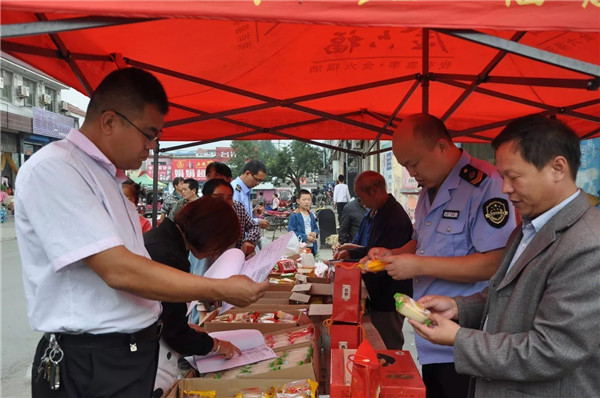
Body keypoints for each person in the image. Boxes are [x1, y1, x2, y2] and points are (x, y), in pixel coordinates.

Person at [15, 67, 268, 398]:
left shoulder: (108, 177)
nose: (151, 146)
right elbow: (119, 269)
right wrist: (219, 287)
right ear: (109, 122)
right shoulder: (56, 168)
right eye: (149, 134)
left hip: (126, 355)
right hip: (92, 360)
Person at [411, 115, 600, 398]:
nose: (505, 188)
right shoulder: (529, 227)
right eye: (503, 177)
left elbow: (551, 350)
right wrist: (460, 308)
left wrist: (459, 339)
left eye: (514, 177)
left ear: (557, 168)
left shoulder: (586, 244)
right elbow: (508, 295)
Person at [367, 113, 516, 398]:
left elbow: (496, 263)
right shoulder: (429, 190)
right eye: (404, 166)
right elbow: (421, 242)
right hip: (429, 334)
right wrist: (393, 254)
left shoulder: (486, 184)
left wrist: (418, 265)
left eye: (414, 163)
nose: (411, 173)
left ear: (442, 147)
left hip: (465, 337)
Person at [144, 197, 243, 395]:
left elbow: (164, 310)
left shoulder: (163, 239)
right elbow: (175, 333)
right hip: (145, 357)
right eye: (219, 245)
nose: (215, 252)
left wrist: (183, 324)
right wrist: (216, 345)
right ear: (210, 234)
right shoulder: (168, 255)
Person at [334, 171, 413, 349]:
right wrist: (351, 253)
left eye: (362, 198)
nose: (362, 203)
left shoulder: (394, 218)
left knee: (388, 345)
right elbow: (375, 250)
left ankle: (391, 374)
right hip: (380, 293)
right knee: (379, 341)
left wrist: (359, 265)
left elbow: (384, 258)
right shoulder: (378, 212)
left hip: (389, 294)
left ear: (375, 191)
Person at [202, 178, 260, 257]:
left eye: (229, 197)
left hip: (235, 260)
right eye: (219, 197)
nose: (225, 202)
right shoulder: (200, 216)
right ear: (206, 199)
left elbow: (254, 225)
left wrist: (249, 241)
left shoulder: (237, 207)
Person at [231, 160, 270, 229]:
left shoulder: (245, 191)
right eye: (257, 180)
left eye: (260, 181)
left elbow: (244, 216)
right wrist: (257, 222)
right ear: (247, 173)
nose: (258, 184)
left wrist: (253, 214)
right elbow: (235, 220)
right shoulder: (234, 190)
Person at [288, 189, 319, 254]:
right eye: (304, 200)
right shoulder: (294, 215)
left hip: (312, 246)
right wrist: (306, 237)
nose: (307, 202)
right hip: (300, 247)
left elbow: (316, 228)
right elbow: (291, 233)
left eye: (309, 200)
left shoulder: (311, 215)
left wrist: (315, 233)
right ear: (298, 201)